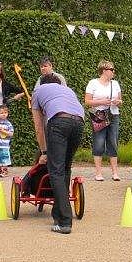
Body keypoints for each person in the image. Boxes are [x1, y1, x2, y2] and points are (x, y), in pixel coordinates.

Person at [31, 73, 84, 234]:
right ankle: (58, 214)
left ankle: (64, 222)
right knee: (66, 169)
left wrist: (44, 151)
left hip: (59, 122)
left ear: (42, 83)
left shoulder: (38, 91)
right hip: (79, 122)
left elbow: (39, 127)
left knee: (56, 171)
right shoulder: (68, 90)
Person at [85, 59, 123, 181]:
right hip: (99, 116)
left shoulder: (115, 84)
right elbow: (87, 101)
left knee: (113, 142)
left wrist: (117, 102)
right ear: (104, 70)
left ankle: (115, 172)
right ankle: (98, 173)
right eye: (111, 69)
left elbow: (120, 101)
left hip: (113, 115)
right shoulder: (93, 83)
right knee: (99, 142)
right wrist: (102, 102)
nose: (113, 71)